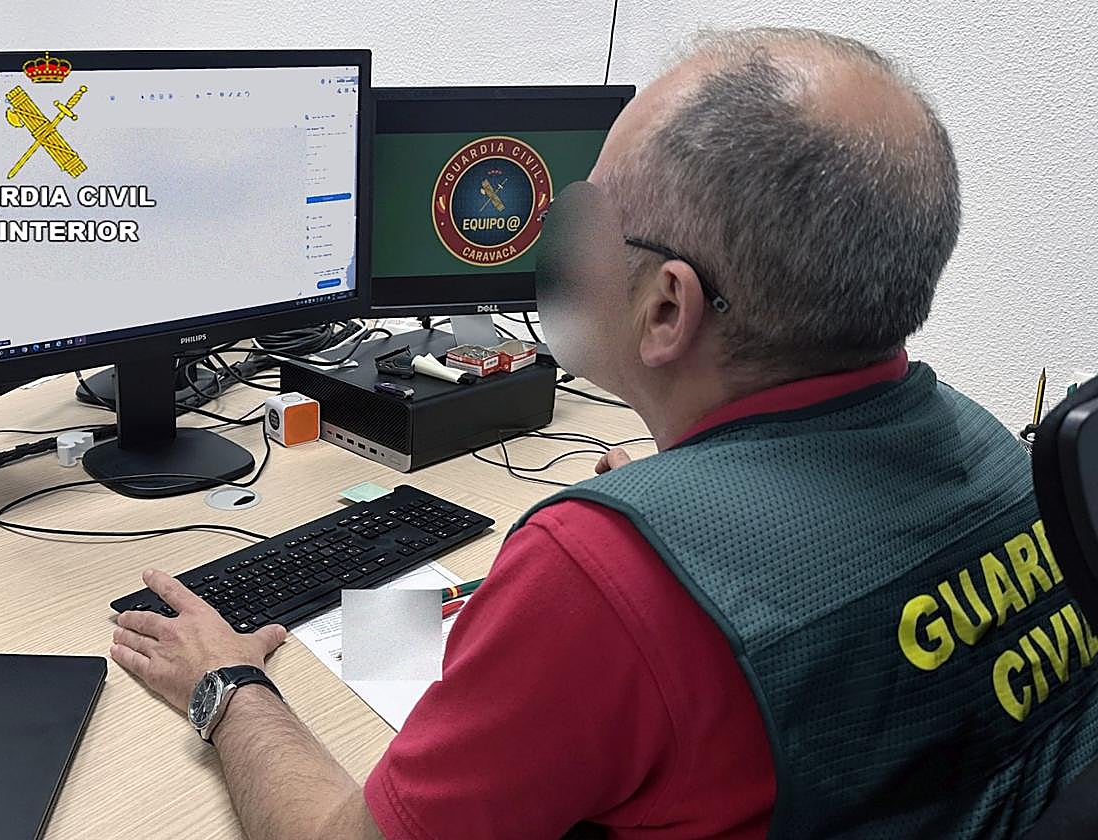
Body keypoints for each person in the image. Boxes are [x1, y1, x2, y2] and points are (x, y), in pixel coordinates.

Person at [110, 27, 1098, 839]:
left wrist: (226, 685)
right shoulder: (1005, 459)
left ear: (668, 308)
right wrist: (684, 496)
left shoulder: (602, 577)